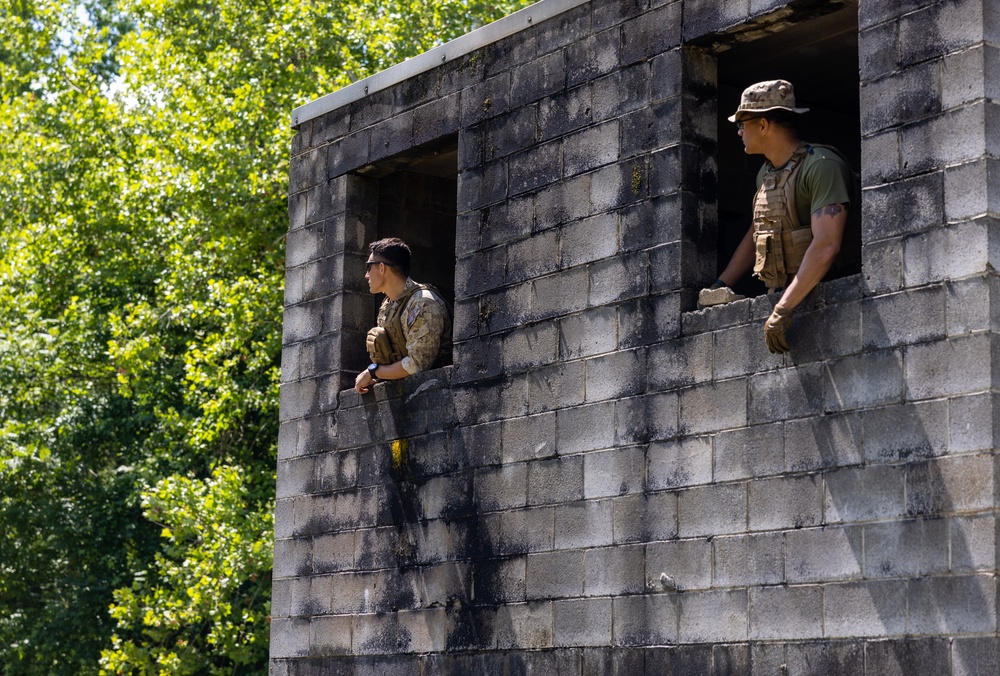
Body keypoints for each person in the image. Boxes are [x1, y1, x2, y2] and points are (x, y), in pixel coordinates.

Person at [698, 79, 860, 354]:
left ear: (763, 125)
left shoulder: (821, 166)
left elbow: (826, 245)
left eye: (742, 123)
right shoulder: (767, 173)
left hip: (836, 296)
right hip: (787, 297)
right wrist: (721, 285)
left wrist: (782, 309)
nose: (738, 132)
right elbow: (757, 231)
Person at [354, 237, 451, 394]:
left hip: (434, 393)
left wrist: (373, 372)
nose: (366, 275)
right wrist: (377, 377)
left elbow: (417, 364)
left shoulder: (423, 303)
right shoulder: (389, 305)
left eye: (368, 267)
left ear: (381, 268)